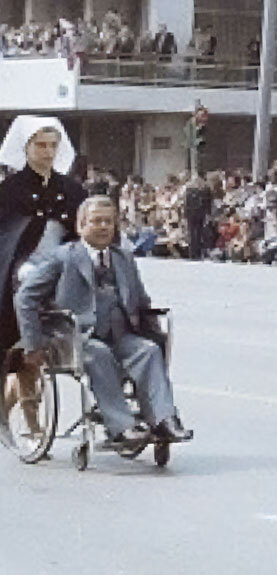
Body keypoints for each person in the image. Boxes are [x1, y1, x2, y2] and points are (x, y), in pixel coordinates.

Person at [15, 196, 192, 449]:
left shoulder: (123, 258)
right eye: (96, 221)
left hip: (120, 334)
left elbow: (140, 300)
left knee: (149, 351)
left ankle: (164, 419)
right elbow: (26, 297)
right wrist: (33, 344)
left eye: (108, 222)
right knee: (98, 354)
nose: (103, 227)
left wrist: (154, 334)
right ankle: (121, 427)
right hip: (77, 337)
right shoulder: (63, 257)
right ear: (81, 226)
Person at [0, 115, 87, 449]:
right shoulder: (9, 191)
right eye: (41, 145)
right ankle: (30, 420)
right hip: (19, 271)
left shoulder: (71, 189)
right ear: (26, 147)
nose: (48, 152)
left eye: (54, 145)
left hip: (63, 267)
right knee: (19, 350)